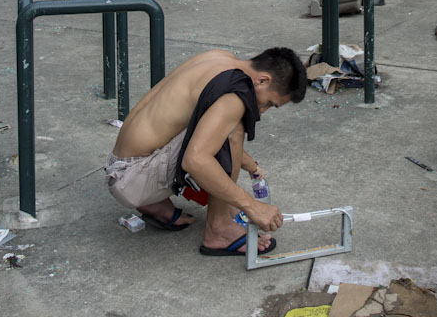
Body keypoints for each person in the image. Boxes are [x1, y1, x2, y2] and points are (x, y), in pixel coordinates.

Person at [106, 47, 307, 257]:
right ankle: (219, 230)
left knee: (219, 131)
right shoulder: (235, 94)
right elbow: (196, 160)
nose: (262, 111)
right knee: (233, 128)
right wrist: (252, 205)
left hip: (120, 166)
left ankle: (155, 203)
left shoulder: (219, 59)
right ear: (263, 80)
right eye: (269, 104)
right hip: (132, 179)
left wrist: (248, 163)